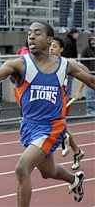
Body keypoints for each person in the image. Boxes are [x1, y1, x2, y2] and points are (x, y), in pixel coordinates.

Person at [0, 21, 95, 206]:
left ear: (50, 40)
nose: (31, 36)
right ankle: (75, 180)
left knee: (22, 169)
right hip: (29, 125)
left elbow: (91, 80)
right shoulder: (20, 64)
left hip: (52, 127)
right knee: (48, 171)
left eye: (37, 33)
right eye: (29, 33)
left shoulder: (64, 65)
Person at [49, 36, 87, 170]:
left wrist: (79, 90)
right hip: (50, 100)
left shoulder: (67, 62)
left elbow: (86, 71)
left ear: (61, 49)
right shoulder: (45, 63)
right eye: (50, 46)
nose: (51, 49)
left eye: (54, 46)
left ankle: (64, 139)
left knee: (54, 124)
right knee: (59, 125)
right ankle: (77, 152)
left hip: (62, 100)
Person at [62, 26, 79, 99]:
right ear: (74, 34)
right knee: (68, 82)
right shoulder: (69, 43)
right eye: (77, 33)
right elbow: (67, 55)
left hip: (68, 65)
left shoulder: (68, 41)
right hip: (69, 66)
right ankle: (66, 97)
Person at [81, 35, 95, 116]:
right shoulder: (86, 50)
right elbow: (83, 62)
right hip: (90, 74)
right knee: (90, 93)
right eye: (91, 40)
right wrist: (87, 70)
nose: (93, 42)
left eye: (94, 40)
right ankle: (90, 110)